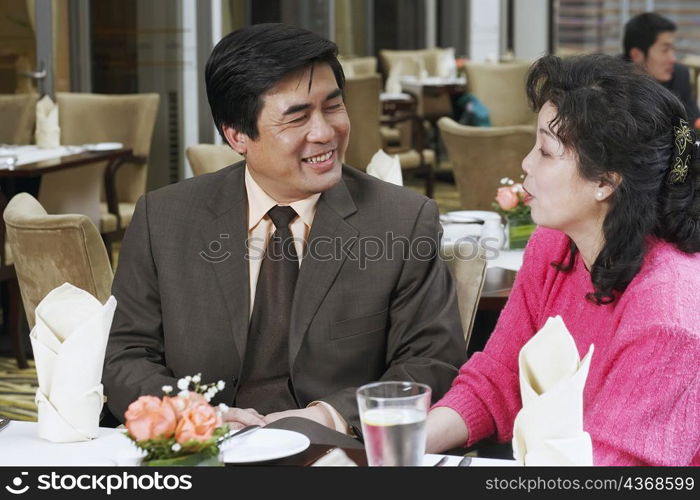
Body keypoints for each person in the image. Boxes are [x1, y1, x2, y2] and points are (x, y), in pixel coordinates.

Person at [102, 23, 466, 436]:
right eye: (297, 117)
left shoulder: (402, 220)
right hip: (200, 453)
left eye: (333, 106)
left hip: (335, 458)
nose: (325, 132)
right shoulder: (162, 218)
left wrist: (329, 416)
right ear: (236, 135)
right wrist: (191, 414)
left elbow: (430, 361)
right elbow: (125, 356)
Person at [425, 54, 700, 466]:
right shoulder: (553, 246)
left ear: (605, 182)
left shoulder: (668, 311)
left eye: (546, 152)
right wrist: (408, 439)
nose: (525, 163)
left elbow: (614, 468)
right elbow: (499, 378)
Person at [623, 12, 700, 127]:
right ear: (637, 55)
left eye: (672, 50)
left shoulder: (679, 75)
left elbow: (693, 122)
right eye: (665, 50)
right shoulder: (612, 82)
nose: (673, 59)